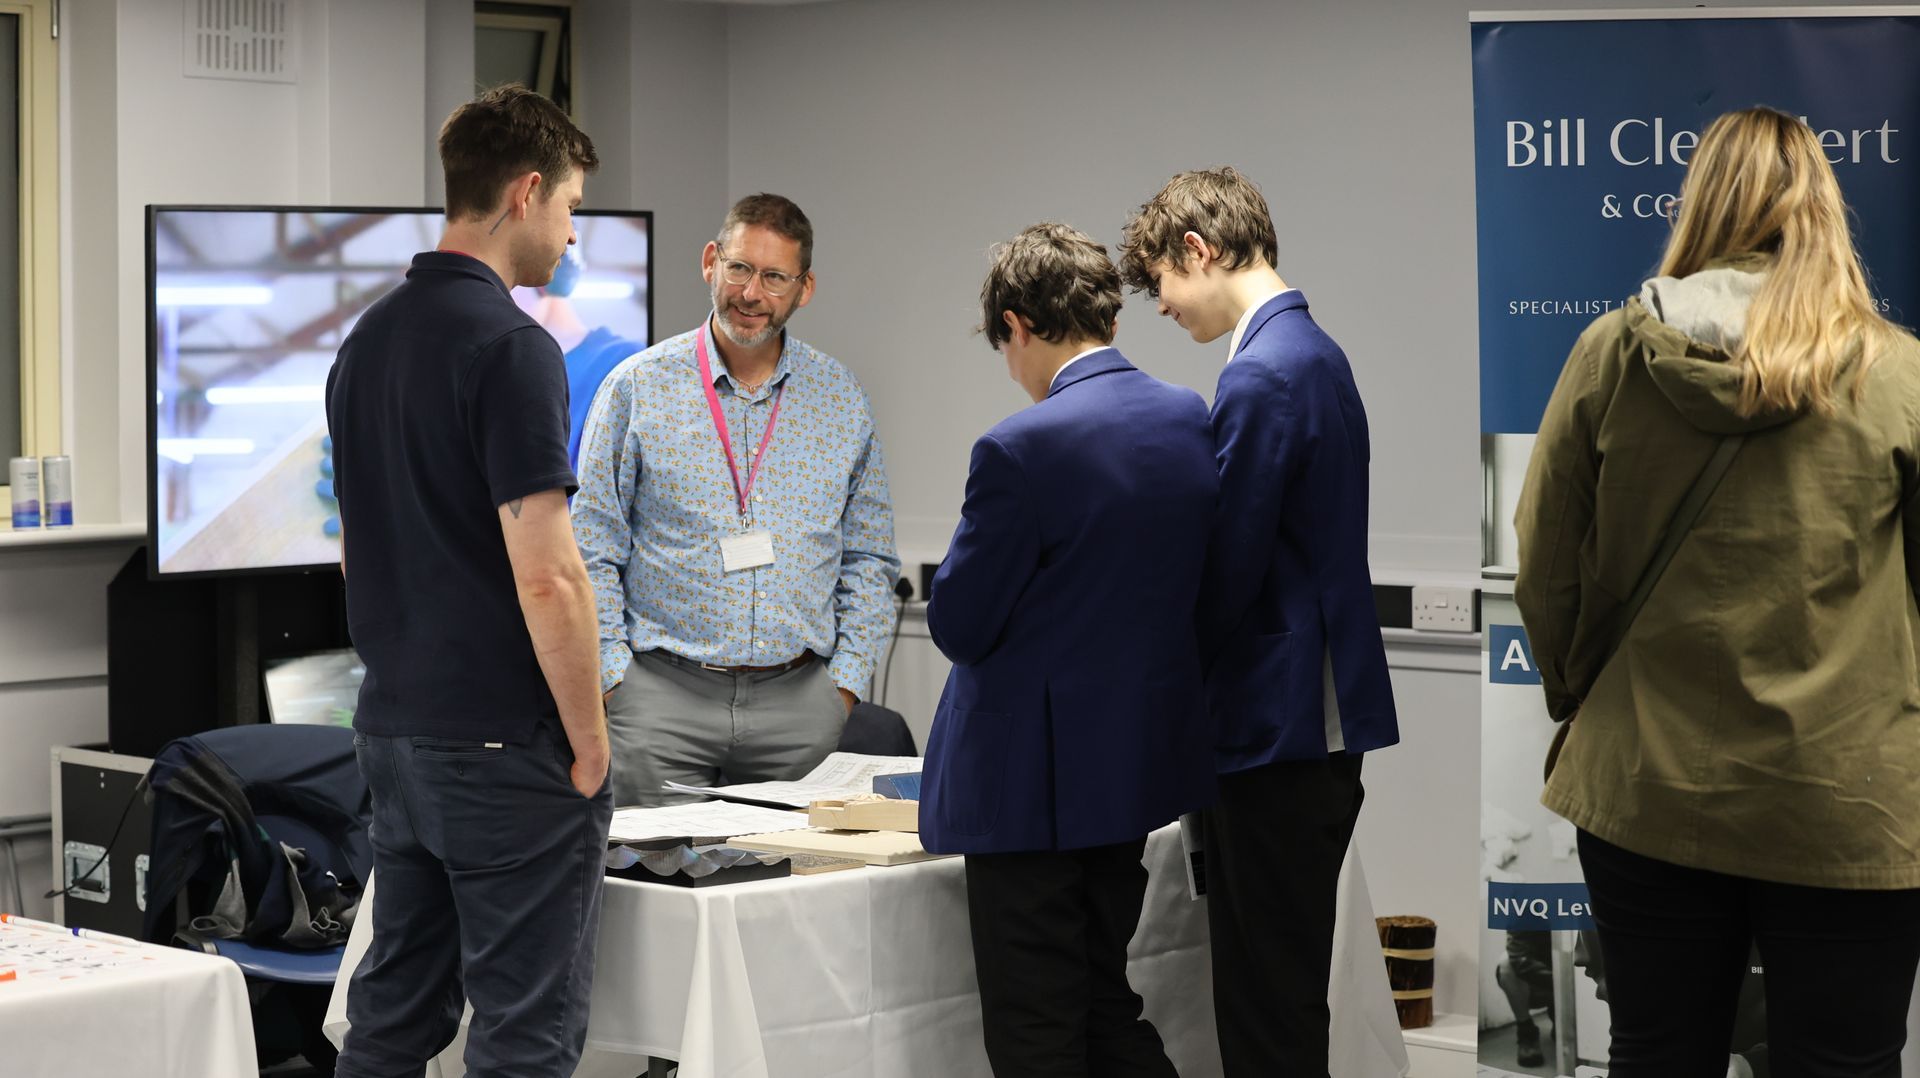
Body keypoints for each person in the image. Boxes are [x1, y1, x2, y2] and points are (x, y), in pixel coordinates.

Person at [1515, 106, 1920, 1077]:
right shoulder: (1899, 375)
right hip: (1848, 794)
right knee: (1845, 1062)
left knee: (1657, 1051)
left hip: (1647, 778)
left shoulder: (1612, 355)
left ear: (1697, 205)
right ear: (1823, 211)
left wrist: (1578, 693)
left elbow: (1545, 562)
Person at [324, 85, 612, 1077]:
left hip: (394, 735)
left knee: (392, 1019)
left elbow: (355, 547)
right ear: (525, 192)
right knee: (525, 1039)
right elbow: (551, 578)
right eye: (569, 207)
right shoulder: (514, 347)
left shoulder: (366, 341)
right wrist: (590, 742)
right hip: (502, 748)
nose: (569, 235)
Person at [1118, 166, 1401, 1078]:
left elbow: (1226, 573)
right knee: (1282, 995)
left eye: (1161, 282)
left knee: (1264, 1010)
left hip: (1276, 730)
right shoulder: (1312, 351)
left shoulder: (1263, 373)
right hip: (1313, 725)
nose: (1164, 307)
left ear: (1198, 250)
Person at [920, 222, 1218, 1077]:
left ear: (1016, 325)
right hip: (1129, 774)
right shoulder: (1186, 418)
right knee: (1104, 1003)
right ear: (1111, 318)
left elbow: (961, 624)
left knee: (1035, 1034)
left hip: (1027, 791)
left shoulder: (1019, 448)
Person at [573, 193, 900, 807]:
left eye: (775, 277)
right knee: (654, 866)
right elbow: (590, 546)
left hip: (800, 708)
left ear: (804, 289)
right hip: (659, 702)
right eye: (740, 268)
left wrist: (844, 686)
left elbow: (870, 557)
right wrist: (614, 678)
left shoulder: (840, 398)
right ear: (710, 262)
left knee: (790, 870)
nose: (751, 294)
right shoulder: (636, 387)